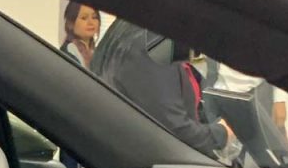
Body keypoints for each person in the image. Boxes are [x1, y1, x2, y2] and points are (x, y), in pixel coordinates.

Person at [90, 18, 234, 159]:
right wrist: (222, 133)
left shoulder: (125, 27)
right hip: (145, 162)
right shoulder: (153, 42)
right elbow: (174, 131)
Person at [61, 2, 102, 69]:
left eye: (94, 17)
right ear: (71, 23)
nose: (91, 22)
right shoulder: (68, 51)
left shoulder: (98, 52)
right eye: (84, 18)